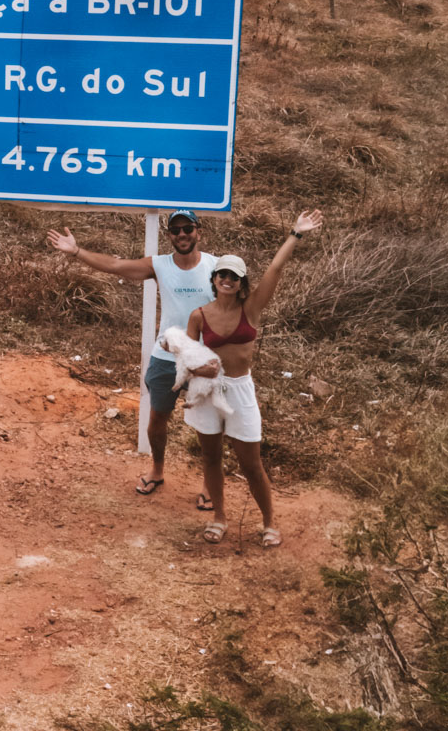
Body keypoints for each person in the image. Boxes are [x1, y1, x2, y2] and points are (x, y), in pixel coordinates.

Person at [47, 210, 217, 506]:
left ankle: (209, 483)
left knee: (206, 425)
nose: (182, 234)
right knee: (157, 420)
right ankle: (157, 470)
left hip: (203, 360)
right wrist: (76, 251)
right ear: (169, 237)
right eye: (175, 230)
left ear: (198, 231)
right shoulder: (160, 265)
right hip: (166, 357)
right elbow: (115, 265)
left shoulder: (216, 266)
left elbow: (243, 301)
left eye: (187, 228)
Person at [184, 208, 324, 549]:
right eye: (222, 275)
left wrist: (296, 233)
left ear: (242, 282)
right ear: (214, 279)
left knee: (251, 462)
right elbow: (186, 357)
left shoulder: (252, 309)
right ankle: (218, 517)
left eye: (234, 276)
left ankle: (268, 522)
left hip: (239, 390)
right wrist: (197, 370)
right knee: (211, 457)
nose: (227, 280)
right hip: (207, 391)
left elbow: (275, 269)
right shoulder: (199, 315)